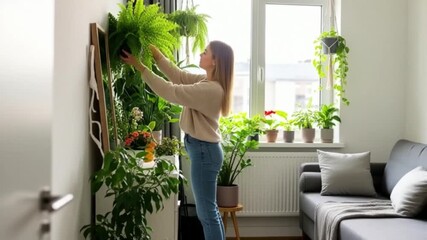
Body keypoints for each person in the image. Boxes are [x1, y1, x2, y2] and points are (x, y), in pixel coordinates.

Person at [121, 40, 234, 240]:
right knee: (209, 212)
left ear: (215, 61)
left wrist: (140, 66)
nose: (201, 53)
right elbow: (179, 76)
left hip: (203, 151)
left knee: (207, 214)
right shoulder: (206, 81)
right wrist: (157, 56)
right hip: (203, 150)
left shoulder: (211, 89)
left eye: (205, 51)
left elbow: (170, 91)